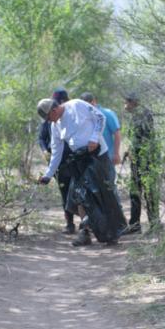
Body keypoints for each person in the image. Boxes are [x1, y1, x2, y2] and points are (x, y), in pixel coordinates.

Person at [37, 97, 123, 247]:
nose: (50, 121)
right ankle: (85, 234)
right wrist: (48, 175)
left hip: (98, 157)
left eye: (49, 117)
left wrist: (94, 137)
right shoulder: (55, 126)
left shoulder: (76, 105)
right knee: (79, 196)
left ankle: (112, 233)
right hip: (80, 160)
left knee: (102, 195)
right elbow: (57, 151)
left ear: (54, 110)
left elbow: (100, 117)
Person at [121, 92, 160, 235]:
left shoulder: (144, 115)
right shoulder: (135, 117)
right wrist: (130, 151)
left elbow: (147, 139)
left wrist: (137, 152)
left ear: (134, 103)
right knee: (134, 192)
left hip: (146, 161)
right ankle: (135, 225)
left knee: (149, 193)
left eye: (127, 103)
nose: (125, 106)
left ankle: (155, 225)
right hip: (137, 160)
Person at [38, 88, 76, 234]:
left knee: (81, 191)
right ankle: (70, 223)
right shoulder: (49, 120)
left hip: (75, 160)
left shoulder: (72, 114)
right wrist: (44, 151)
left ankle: (88, 223)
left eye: (61, 101)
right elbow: (41, 138)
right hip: (58, 163)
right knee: (65, 192)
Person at [80, 92, 122, 182]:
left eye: (89, 104)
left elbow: (117, 134)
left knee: (109, 183)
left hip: (107, 156)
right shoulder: (83, 117)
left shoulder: (107, 114)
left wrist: (116, 153)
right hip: (92, 157)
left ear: (94, 101)